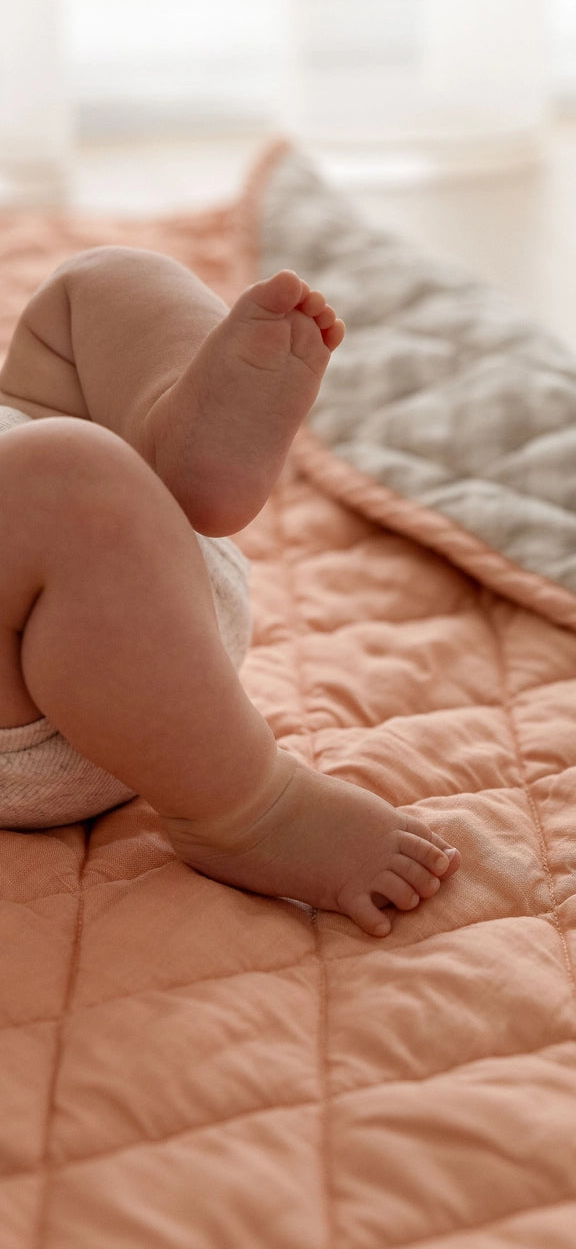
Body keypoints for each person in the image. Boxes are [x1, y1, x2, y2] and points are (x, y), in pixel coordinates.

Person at [0, 246, 459, 936]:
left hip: (143, 557)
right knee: (64, 480)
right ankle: (246, 809)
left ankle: (177, 436)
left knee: (94, 284)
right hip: (47, 666)